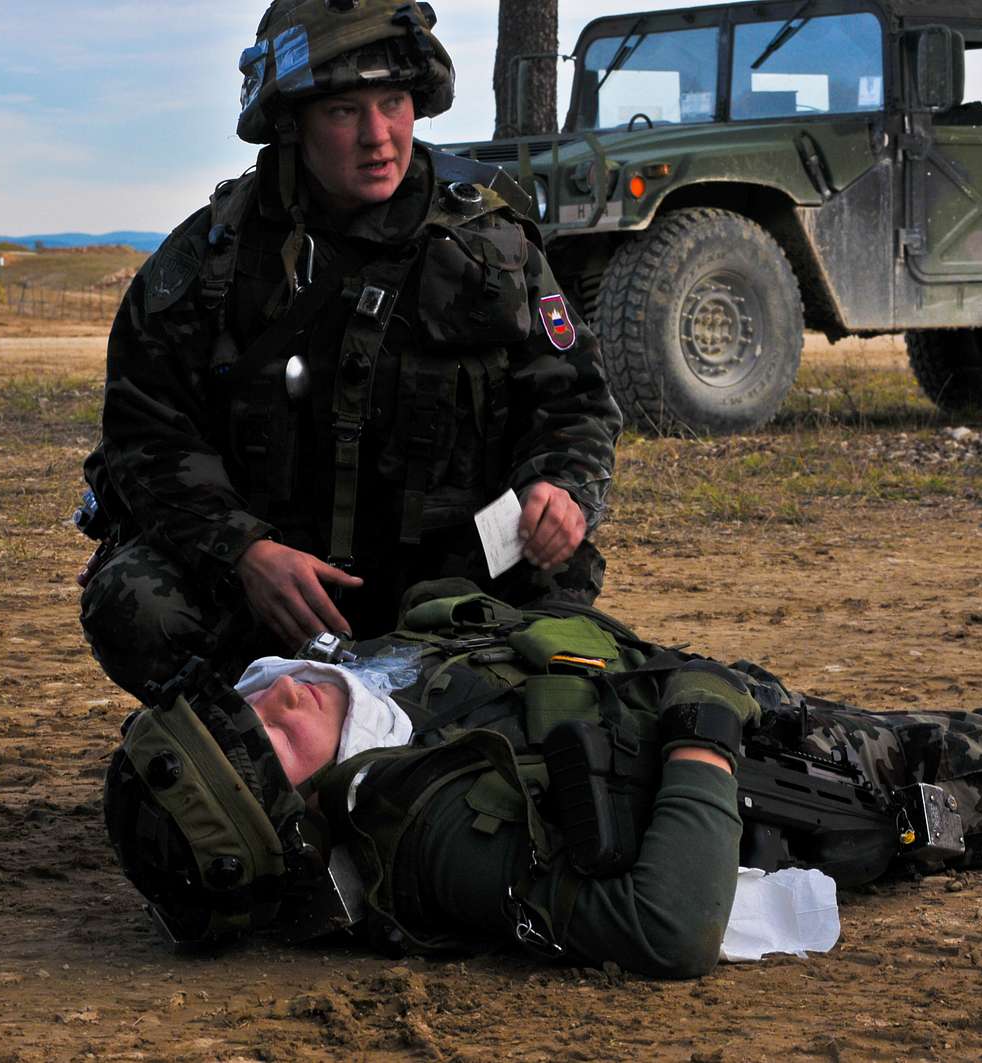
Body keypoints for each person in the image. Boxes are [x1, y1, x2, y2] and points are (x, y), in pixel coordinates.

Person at [102, 585, 982, 979]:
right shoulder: (428, 838)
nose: (280, 699)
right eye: (265, 741)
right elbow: (666, 927)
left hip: (774, 736)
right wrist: (703, 730)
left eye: (248, 701)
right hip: (808, 804)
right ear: (282, 813)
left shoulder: (380, 703)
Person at [78, 0, 621, 704]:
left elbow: (573, 402)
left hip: (448, 600)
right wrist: (244, 550)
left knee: (559, 590)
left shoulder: (494, 246)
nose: (378, 136)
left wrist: (560, 488)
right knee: (135, 599)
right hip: (272, 602)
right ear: (292, 120)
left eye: (393, 102)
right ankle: (249, 740)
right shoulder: (213, 260)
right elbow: (144, 434)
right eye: (343, 111)